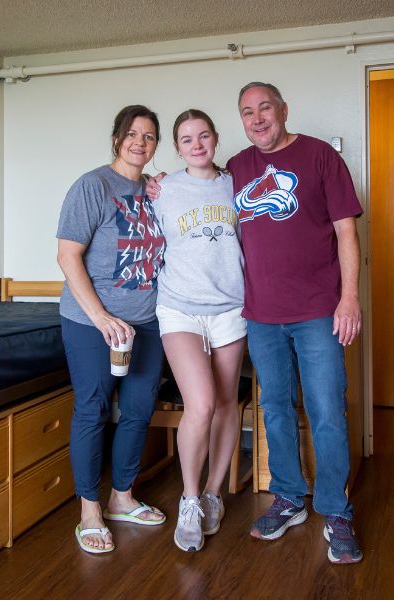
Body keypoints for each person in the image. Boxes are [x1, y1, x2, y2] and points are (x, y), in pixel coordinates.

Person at [229, 82, 364, 564]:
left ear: (284, 110)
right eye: (248, 112)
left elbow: (347, 231)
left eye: (265, 107)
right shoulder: (237, 168)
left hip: (317, 311)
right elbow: (197, 196)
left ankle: (335, 510)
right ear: (241, 120)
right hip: (261, 315)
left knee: (327, 409)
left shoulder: (320, 157)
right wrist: (160, 180)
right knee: (275, 408)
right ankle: (289, 496)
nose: (258, 118)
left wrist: (349, 299)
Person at [56, 104, 167, 555]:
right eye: (132, 134)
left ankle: (121, 498)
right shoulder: (92, 185)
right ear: (117, 138)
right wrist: (102, 318)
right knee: (94, 408)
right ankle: (89, 509)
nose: (140, 142)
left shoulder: (157, 191)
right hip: (90, 322)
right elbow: (67, 257)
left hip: (147, 322)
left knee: (139, 409)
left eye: (150, 136)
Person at [152, 109, 246, 552]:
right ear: (176, 147)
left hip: (230, 307)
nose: (196, 144)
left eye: (203, 135)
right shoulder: (163, 188)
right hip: (180, 309)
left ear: (215, 138)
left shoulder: (235, 183)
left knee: (228, 402)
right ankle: (189, 498)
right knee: (202, 403)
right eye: (186, 139)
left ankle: (213, 492)